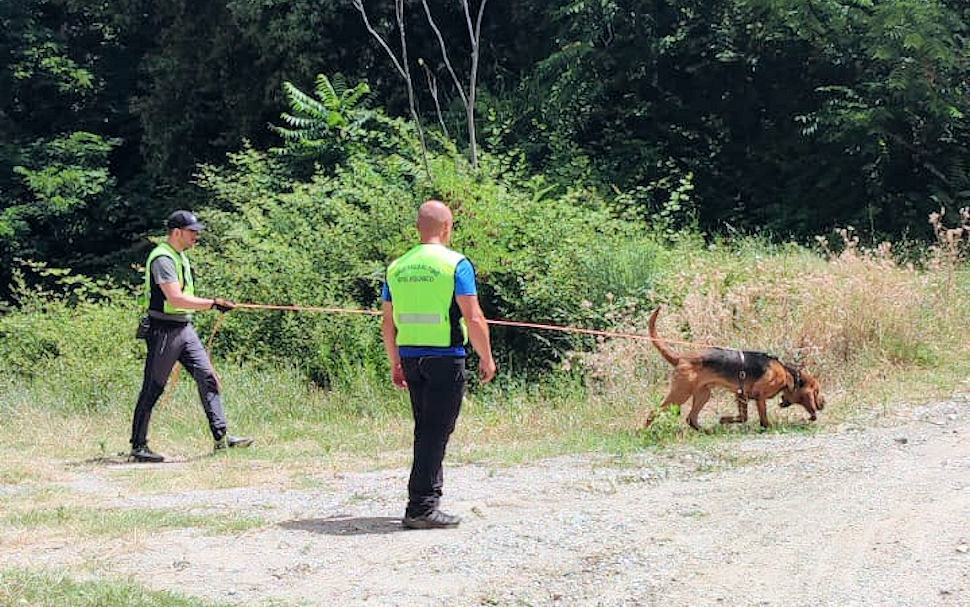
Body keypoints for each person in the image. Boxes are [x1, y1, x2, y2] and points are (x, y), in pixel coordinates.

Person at [381, 200, 496, 529]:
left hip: (410, 357)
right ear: (447, 228)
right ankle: (421, 507)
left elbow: (387, 323)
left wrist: (395, 362)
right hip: (445, 358)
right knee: (435, 432)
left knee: (426, 429)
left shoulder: (397, 267)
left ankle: (427, 499)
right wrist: (486, 357)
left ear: (418, 228)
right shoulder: (456, 264)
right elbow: (473, 317)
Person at [129, 210, 253, 463]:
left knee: (208, 378)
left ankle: (221, 438)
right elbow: (175, 298)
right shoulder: (163, 259)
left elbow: (182, 301)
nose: (197, 235)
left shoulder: (180, 256)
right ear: (177, 232)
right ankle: (138, 446)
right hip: (163, 330)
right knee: (153, 387)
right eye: (192, 231)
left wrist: (213, 304)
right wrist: (214, 303)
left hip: (184, 328)